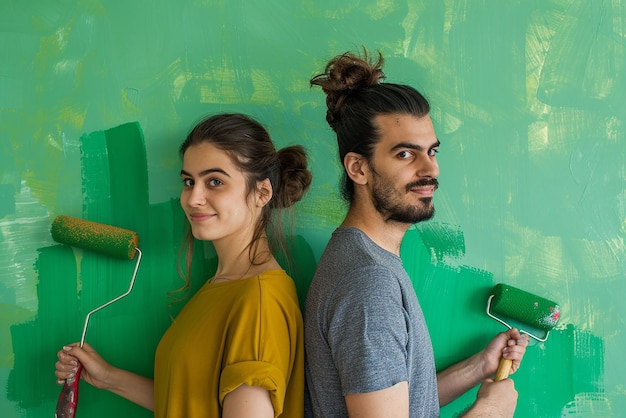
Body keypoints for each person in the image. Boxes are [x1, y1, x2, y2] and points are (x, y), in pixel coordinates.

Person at [304, 50, 529, 417]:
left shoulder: (367, 261)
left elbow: (401, 404)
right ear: (358, 168)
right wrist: (491, 411)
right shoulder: (368, 285)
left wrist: (479, 368)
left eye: (432, 151)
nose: (431, 169)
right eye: (406, 155)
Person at [55, 113, 312, 417]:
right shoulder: (224, 285)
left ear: (262, 193)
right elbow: (191, 401)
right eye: (189, 181)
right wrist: (109, 378)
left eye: (214, 181)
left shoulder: (258, 303)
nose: (193, 198)